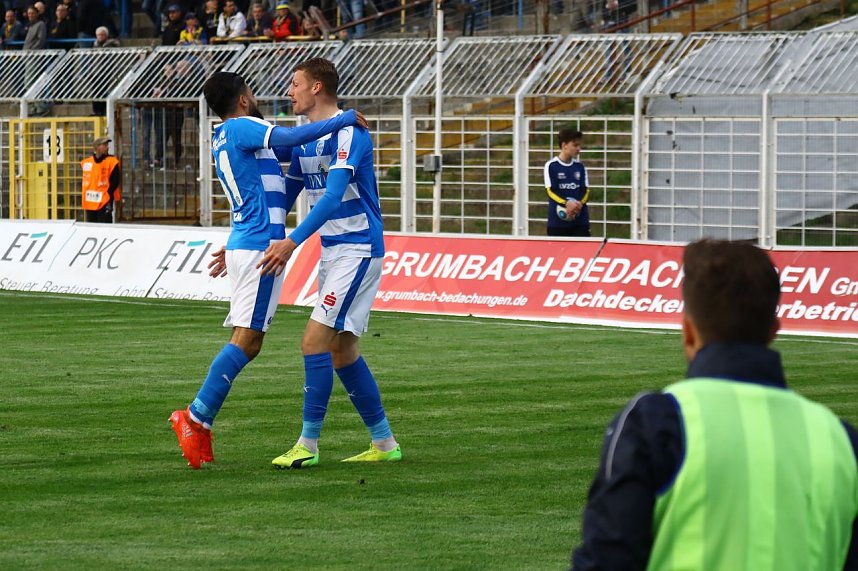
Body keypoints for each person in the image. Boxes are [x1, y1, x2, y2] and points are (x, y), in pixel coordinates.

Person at [571, 239, 858, 570]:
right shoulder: (840, 440)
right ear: (774, 331)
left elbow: (606, 559)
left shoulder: (656, 424)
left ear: (688, 332)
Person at [168, 71, 366, 469]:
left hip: (247, 241)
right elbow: (291, 139)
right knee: (248, 341)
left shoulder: (222, 136)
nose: (258, 96)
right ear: (243, 99)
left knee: (248, 339)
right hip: (260, 246)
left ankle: (199, 422)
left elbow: (269, 185)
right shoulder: (244, 126)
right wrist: (344, 118)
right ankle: (194, 417)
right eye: (252, 90)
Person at [259, 57, 401, 469]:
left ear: (317, 87)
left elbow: (335, 195)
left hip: (357, 248)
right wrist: (255, 239)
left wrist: (291, 242)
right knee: (342, 351)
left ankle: (308, 444)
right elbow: (286, 193)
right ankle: (385, 443)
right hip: (335, 250)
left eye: (295, 83)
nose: (290, 91)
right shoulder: (306, 139)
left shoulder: (350, 133)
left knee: (313, 342)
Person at [545, 128, 589, 237]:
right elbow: (550, 191)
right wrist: (566, 203)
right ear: (564, 145)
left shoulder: (580, 167)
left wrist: (578, 205)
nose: (579, 149)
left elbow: (586, 190)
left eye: (579, 145)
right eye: (575, 145)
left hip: (579, 221)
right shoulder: (551, 166)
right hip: (557, 223)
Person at [80, 136, 121, 223]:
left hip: (105, 201)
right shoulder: (87, 162)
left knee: (104, 228)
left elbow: (115, 181)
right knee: (91, 228)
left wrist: (108, 195)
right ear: (97, 147)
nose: (107, 147)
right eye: (104, 145)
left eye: (107, 145)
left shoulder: (112, 161)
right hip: (90, 202)